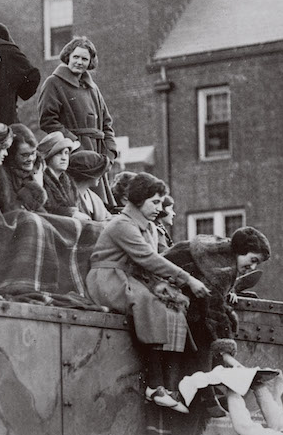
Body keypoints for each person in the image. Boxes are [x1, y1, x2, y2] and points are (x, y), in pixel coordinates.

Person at [86, 172, 211, 413]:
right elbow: (147, 258)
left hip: (131, 278)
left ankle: (167, 387)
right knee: (151, 305)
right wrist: (188, 279)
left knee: (176, 305)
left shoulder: (149, 228)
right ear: (138, 199)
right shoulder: (122, 225)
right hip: (108, 278)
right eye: (154, 201)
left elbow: (150, 264)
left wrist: (173, 287)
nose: (160, 207)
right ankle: (154, 386)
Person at [164, 227, 270, 413]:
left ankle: (212, 385)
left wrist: (231, 291)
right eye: (253, 260)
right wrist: (226, 349)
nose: (253, 267)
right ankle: (206, 391)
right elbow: (213, 306)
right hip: (158, 282)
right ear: (241, 250)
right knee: (202, 325)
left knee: (218, 321)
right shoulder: (221, 268)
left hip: (175, 283)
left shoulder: (223, 251)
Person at [38, 36, 117, 203]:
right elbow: (47, 120)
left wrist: (110, 152)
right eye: (76, 57)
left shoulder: (93, 89)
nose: (79, 62)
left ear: (90, 63)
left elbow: (106, 124)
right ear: (68, 57)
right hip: (73, 154)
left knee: (98, 205)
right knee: (77, 200)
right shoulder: (53, 83)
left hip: (97, 154)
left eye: (84, 59)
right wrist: (74, 144)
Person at [0, 123, 47, 214]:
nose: (31, 159)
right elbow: (10, 210)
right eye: (24, 155)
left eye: (33, 153)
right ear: (11, 155)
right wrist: (36, 187)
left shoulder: (38, 169)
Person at [37, 131, 83, 219]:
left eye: (66, 153)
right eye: (58, 153)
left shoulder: (69, 182)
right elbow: (46, 210)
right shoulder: (41, 180)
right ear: (48, 157)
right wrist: (71, 213)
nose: (64, 157)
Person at [67, 150, 111, 221]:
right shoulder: (66, 198)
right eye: (99, 172)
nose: (101, 176)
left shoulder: (95, 198)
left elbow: (108, 218)